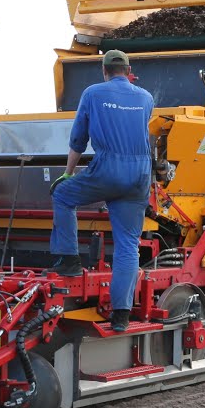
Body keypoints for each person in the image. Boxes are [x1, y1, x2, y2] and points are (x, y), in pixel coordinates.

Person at [46, 49, 154, 333]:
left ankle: (69, 259)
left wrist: (68, 174)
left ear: (104, 71)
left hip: (109, 168)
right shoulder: (146, 97)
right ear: (129, 71)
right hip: (140, 174)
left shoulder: (92, 93)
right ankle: (121, 315)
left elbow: (79, 140)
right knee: (128, 246)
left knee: (63, 195)